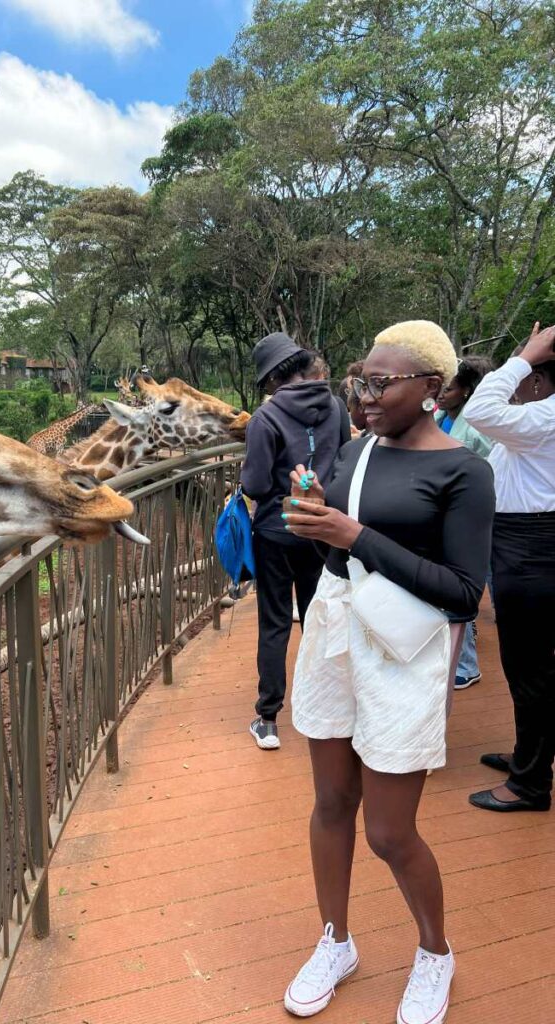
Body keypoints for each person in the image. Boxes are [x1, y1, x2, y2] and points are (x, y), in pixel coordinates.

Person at [281, 321, 495, 1023]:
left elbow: (463, 591)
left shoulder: (463, 470)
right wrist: (317, 522)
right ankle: (335, 941)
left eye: (382, 382)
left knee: (389, 833)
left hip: (404, 657)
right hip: (338, 637)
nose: (366, 395)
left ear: (431, 389)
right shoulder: (354, 451)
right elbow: (343, 567)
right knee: (332, 804)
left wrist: (355, 535)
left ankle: (435, 951)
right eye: (360, 380)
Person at [241, 332, 350, 750]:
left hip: (276, 530)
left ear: (272, 379)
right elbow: (343, 461)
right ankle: (326, 707)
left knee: (274, 622)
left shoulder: (264, 419)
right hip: (322, 527)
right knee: (319, 616)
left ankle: (268, 718)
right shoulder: (337, 406)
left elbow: (253, 483)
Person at [462, 322, 555, 813]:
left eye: (523, 369)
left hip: (532, 546)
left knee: (530, 667)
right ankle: (529, 757)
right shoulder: (534, 421)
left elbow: (478, 410)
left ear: (538, 379)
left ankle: (531, 784)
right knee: (529, 665)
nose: (513, 376)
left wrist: (525, 354)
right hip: (526, 541)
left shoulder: (546, 415)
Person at [435, 355, 495, 690]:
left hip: (469, 517)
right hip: (447, 513)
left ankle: (467, 665)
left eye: (450, 387)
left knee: (463, 585)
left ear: (467, 391)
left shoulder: (476, 430)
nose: (443, 393)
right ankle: (462, 652)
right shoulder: (442, 417)